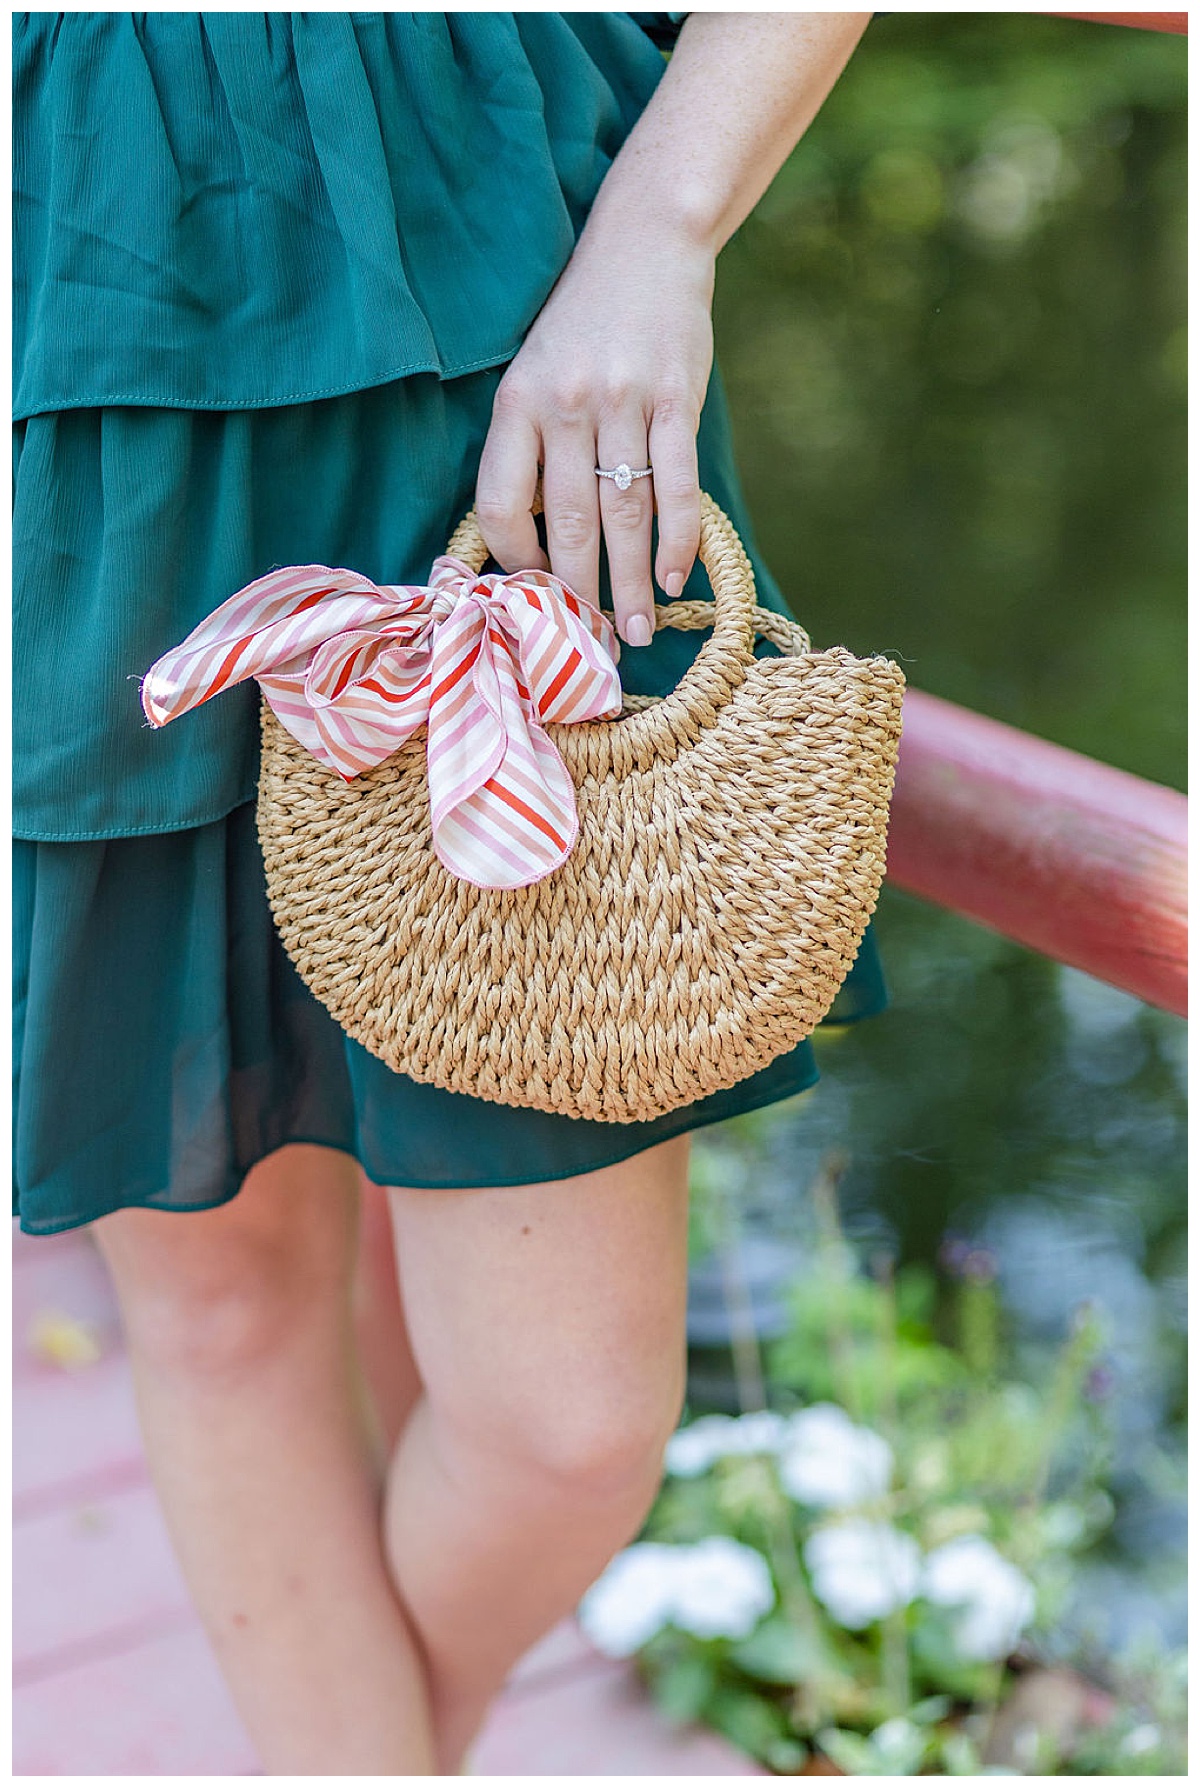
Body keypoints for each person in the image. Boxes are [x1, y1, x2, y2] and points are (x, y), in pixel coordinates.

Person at [13, 11, 878, 1774]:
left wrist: (664, 233)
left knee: (566, 1428)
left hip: (493, 294)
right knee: (222, 1299)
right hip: (67, 287)